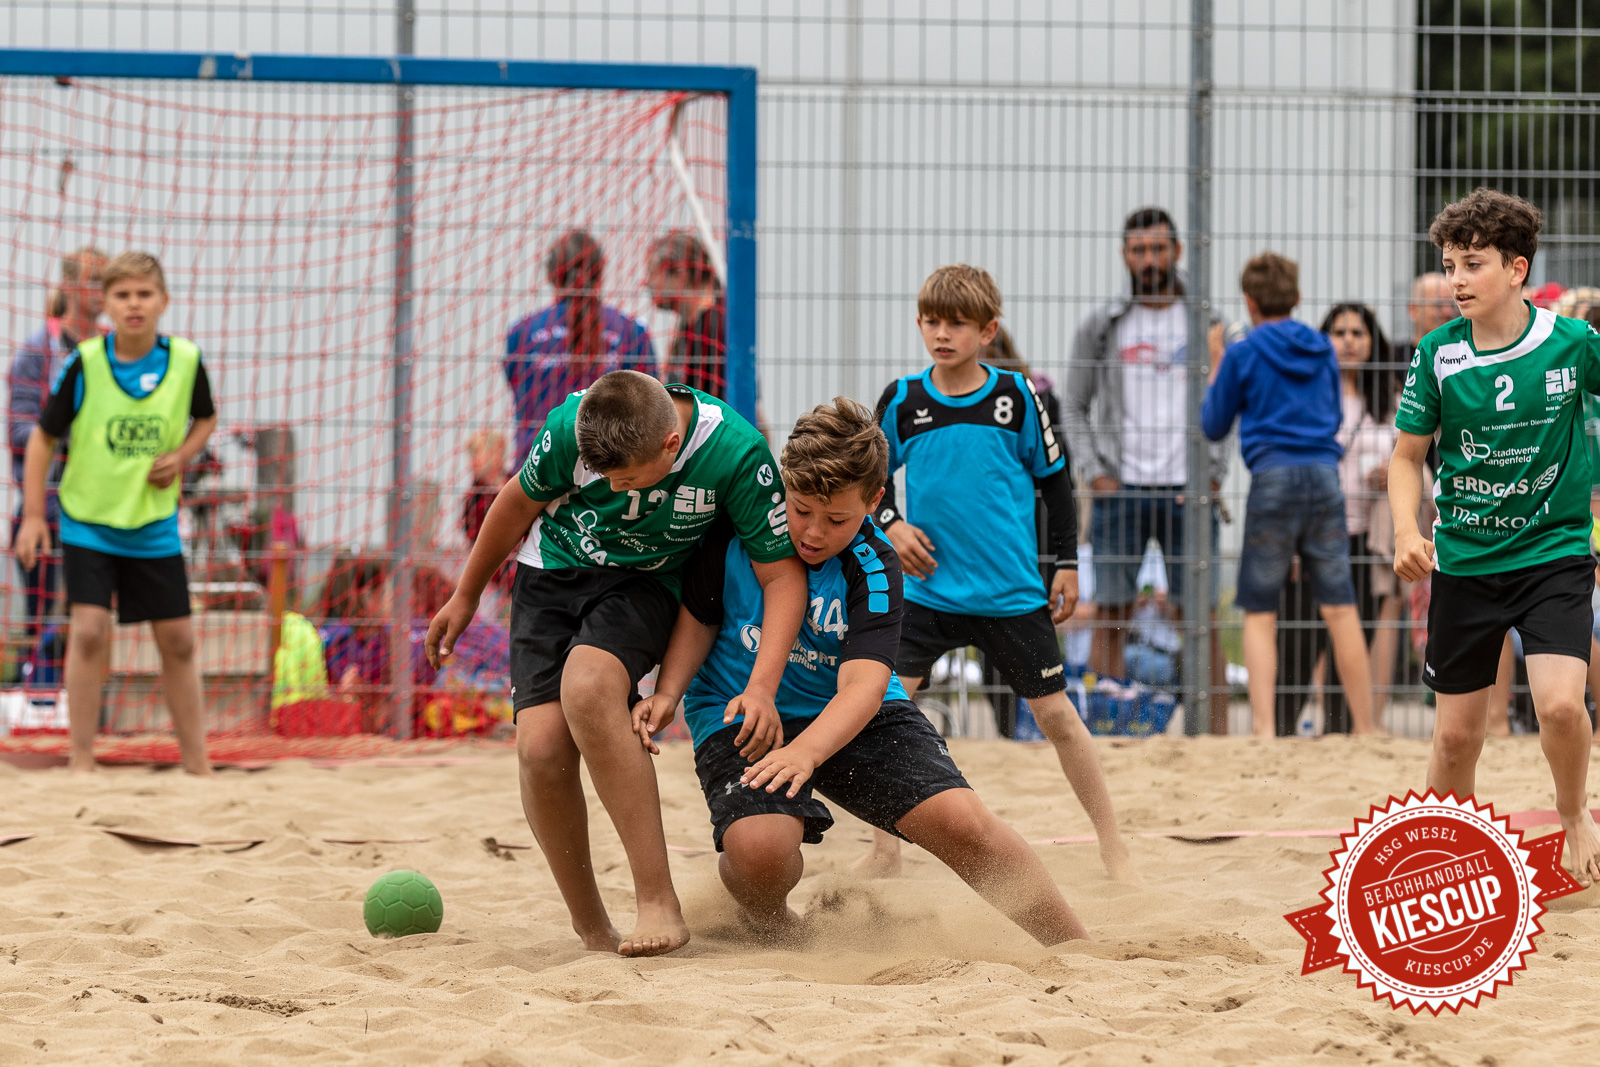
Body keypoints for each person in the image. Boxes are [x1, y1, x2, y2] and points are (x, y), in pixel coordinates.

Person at [631, 398, 1089, 945]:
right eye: (801, 509)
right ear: (783, 484)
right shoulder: (738, 527)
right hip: (741, 708)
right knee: (761, 852)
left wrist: (805, 752)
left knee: (963, 823)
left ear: (873, 501)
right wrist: (670, 690)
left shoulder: (875, 564)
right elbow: (700, 617)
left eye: (836, 520)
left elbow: (864, 688)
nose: (813, 533)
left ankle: (1074, 948)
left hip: (849, 709)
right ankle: (774, 924)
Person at [425, 369, 807, 956]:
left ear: (670, 446)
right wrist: (466, 595)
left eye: (625, 479)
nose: (613, 488)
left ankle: (657, 899)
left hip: (646, 580)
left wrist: (761, 685)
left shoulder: (735, 450)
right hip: (551, 572)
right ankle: (592, 928)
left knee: (589, 686)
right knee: (541, 749)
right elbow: (516, 502)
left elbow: (781, 575)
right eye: (602, 476)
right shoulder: (571, 428)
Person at [859, 264, 1136, 883]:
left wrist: (1066, 564)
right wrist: (892, 524)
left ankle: (1113, 846)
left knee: (1058, 719)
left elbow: (1056, 485)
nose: (942, 333)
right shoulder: (903, 399)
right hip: (927, 591)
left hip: (1010, 595)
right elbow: (868, 479)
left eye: (957, 323)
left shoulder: (1017, 398)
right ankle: (884, 851)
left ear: (987, 331)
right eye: (932, 321)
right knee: (879, 708)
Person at [1390, 187, 1600, 884]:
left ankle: (1573, 813)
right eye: (1449, 265)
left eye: (1472, 264)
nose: (1456, 280)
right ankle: (1442, 861)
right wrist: (1405, 531)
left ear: (1516, 269)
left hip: (1554, 555)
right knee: (1456, 738)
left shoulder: (1571, 342)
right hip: (1465, 561)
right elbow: (1406, 458)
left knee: (1561, 707)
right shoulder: (1437, 354)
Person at [13, 252, 216, 774]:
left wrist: (182, 456)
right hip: (89, 522)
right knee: (87, 633)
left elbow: (206, 418)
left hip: (153, 525)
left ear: (163, 301)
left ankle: (198, 766)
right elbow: (42, 438)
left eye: (144, 294)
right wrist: (33, 516)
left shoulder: (186, 360)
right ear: (104, 303)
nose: (134, 304)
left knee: (178, 640)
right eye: (122, 295)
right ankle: (81, 761)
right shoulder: (85, 362)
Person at [1201, 253, 1375, 738]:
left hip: (1272, 477)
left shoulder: (1242, 352)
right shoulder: (1322, 347)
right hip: (1324, 475)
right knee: (1340, 606)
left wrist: (1217, 363)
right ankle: (1366, 727)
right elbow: (1334, 416)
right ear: (1297, 298)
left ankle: (1263, 730)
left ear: (1249, 302)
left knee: (1261, 610)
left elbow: (1213, 424)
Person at [1063, 206, 1227, 713]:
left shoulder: (1208, 321)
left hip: (1187, 490)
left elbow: (1230, 401)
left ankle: (1213, 734)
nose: (1149, 260)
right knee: (1111, 614)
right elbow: (1073, 404)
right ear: (1125, 255)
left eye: (1158, 248)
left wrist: (1214, 474)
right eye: (1139, 250)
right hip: (1121, 486)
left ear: (1177, 251)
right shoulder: (1103, 324)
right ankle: (1108, 728)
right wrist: (1094, 472)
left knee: (1199, 618)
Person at [8, 246, 106, 669]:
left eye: (106, 282)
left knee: (92, 625)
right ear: (68, 285)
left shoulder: (113, 349)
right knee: (45, 625)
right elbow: (19, 430)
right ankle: (37, 682)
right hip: (48, 508)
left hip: (103, 507)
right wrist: (70, 433)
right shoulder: (38, 350)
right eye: (93, 280)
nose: (101, 291)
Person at [1317, 302, 1402, 730]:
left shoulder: (1392, 397)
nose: (1349, 341)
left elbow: (1414, 459)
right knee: (1312, 635)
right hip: (1319, 531)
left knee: (1361, 632)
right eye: (1339, 332)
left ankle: (1347, 730)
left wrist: (1393, 471)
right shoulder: (1312, 393)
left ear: (1373, 341)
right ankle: (1311, 725)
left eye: (1358, 333)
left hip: (1369, 535)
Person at [503, 229, 655, 459]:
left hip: (538, 463)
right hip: (609, 466)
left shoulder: (521, 332)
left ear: (551, 274)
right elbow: (649, 400)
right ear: (600, 272)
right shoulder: (632, 331)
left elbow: (516, 385)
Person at [646, 230, 726, 399]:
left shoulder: (715, 328)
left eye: (652, 272)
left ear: (680, 273)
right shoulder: (691, 326)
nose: (647, 282)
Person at [460, 429, 514, 598]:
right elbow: (471, 533)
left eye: (476, 456)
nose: (472, 463)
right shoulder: (475, 496)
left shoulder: (515, 485)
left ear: (495, 456)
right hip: (491, 574)